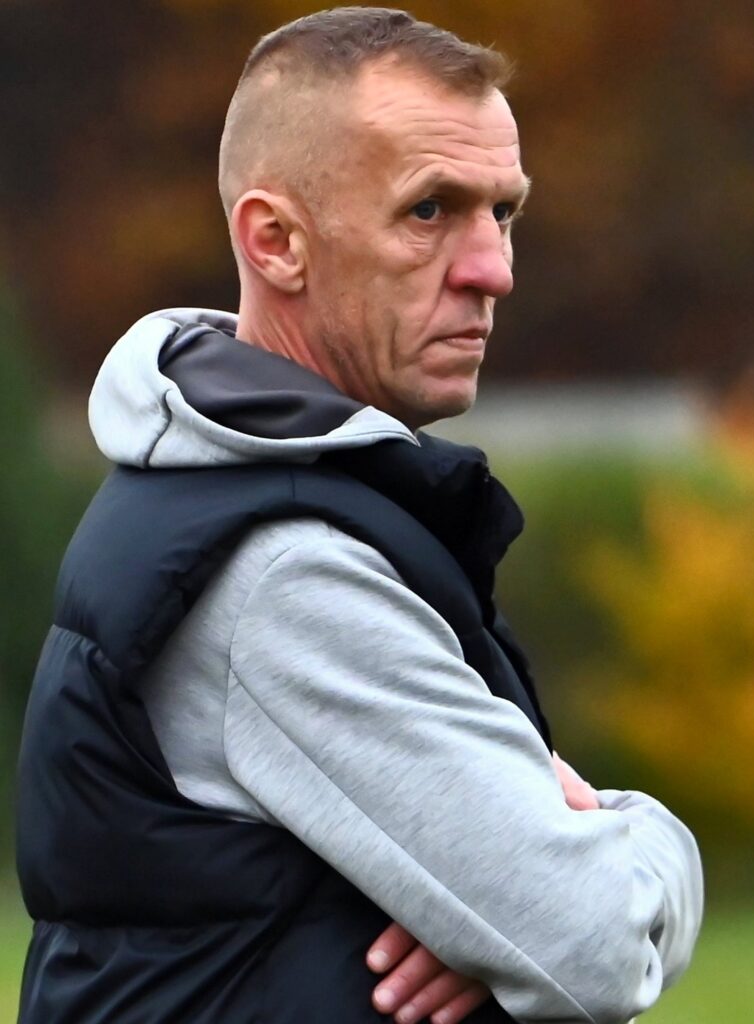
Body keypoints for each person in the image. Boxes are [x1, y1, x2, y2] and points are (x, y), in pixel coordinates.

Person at [16, 8, 703, 1024]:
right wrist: (636, 832)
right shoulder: (282, 569)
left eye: (502, 212)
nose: (493, 269)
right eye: (429, 210)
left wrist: (496, 911)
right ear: (275, 242)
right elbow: (593, 944)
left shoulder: (238, 494)